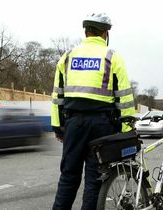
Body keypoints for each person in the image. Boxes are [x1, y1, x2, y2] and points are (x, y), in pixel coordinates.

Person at [51, 12, 136, 210]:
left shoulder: (67, 57)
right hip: (102, 126)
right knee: (95, 180)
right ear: (105, 33)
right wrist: (125, 129)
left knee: (68, 177)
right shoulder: (113, 57)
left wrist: (58, 127)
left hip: (73, 124)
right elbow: (124, 97)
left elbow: (57, 97)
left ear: (86, 32)